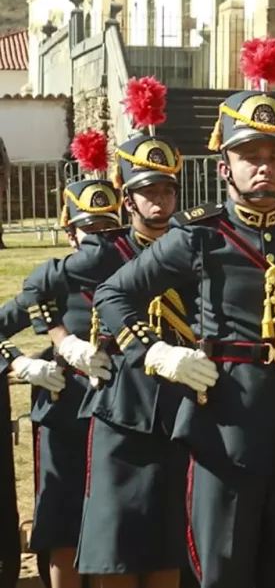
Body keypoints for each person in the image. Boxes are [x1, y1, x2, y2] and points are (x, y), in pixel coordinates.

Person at [92, 65, 275, 588]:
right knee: (224, 573)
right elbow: (114, 293)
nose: (264, 168)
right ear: (225, 167)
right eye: (249, 157)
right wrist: (156, 354)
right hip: (224, 436)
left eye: (274, 157)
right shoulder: (200, 236)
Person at [46, 88, 198, 588]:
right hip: (121, 407)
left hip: (182, 409)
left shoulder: (196, 246)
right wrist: (63, 340)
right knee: (115, 551)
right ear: (126, 195)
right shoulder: (104, 251)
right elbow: (36, 290)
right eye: (147, 191)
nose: (159, 200)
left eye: (167, 190)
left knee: (170, 548)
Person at [28, 138, 121, 588]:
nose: (100, 238)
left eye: (108, 226)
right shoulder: (54, 280)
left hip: (118, 415)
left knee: (111, 521)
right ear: (70, 232)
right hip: (66, 413)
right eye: (90, 228)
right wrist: (26, 363)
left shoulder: (135, 275)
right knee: (64, 519)